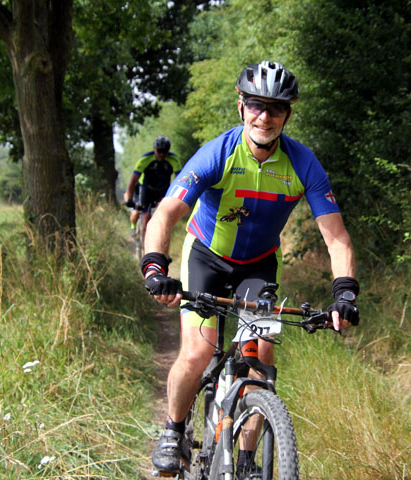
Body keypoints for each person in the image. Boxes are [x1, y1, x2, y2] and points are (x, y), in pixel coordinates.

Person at [140, 61, 360, 478]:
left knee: (258, 360)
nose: (265, 117)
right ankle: (173, 430)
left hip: (258, 264)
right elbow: (166, 213)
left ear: (287, 115)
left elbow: (336, 237)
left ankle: (245, 461)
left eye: (275, 109)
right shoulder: (218, 153)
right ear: (241, 107)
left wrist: (344, 294)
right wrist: (155, 266)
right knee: (199, 350)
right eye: (256, 106)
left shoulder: (303, 164)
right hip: (205, 256)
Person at [123, 135, 182, 235]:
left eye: (165, 151)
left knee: (163, 214)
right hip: (146, 189)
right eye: (159, 151)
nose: (162, 154)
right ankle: (136, 231)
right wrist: (129, 199)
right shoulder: (145, 159)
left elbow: (180, 180)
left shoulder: (174, 159)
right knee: (142, 215)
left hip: (163, 189)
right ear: (154, 149)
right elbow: (132, 181)